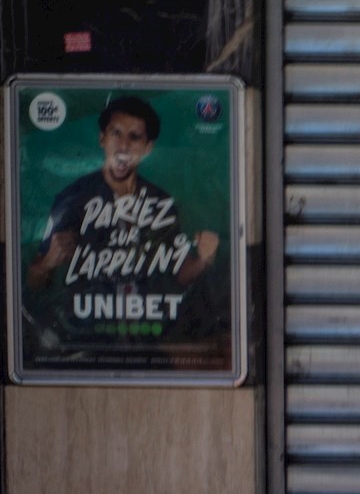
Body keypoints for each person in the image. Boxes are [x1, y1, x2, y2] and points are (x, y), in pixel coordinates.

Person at [22, 95, 220, 350]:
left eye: (135, 137)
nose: (124, 146)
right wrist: (48, 261)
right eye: (116, 133)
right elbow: (33, 282)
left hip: (148, 340)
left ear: (148, 148)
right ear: (102, 139)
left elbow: (179, 276)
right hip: (86, 342)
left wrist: (204, 258)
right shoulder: (72, 200)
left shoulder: (161, 202)